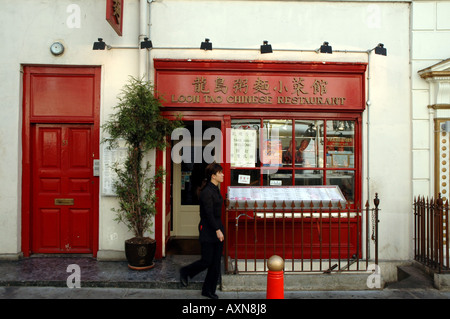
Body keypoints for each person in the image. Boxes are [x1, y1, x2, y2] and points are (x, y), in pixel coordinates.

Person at [179, 163, 225, 299]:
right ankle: (186, 271)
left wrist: (219, 229)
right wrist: (217, 230)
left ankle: (208, 290)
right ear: (213, 176)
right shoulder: (206, 192)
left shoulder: (216, 189)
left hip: (218, 228)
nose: (223, 174)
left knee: (216, 263)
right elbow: (208, 213)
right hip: (208, 230)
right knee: (207, 260)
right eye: (220, 173)